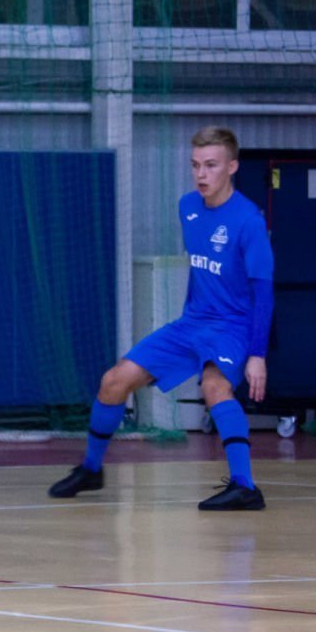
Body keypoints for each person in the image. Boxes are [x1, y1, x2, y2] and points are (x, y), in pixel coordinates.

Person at [49, 126, 273, 511]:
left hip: (232, 327)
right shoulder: (188, 207)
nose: (201, 174)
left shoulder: (249, 222)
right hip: (192, 324)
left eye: (211, 165)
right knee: (113, 382)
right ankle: (91, 469)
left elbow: (264, 292)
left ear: (232, 167)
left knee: (214, 387)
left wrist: (257, 354)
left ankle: (245, 486)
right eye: (195, 165)